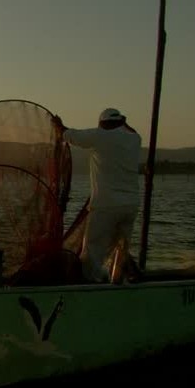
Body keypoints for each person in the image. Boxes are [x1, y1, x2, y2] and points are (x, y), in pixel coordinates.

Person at [53, 108, 141, 284]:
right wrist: (124, 121)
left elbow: (69, 135)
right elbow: (133, 131)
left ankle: (89, 282)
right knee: (121, 247)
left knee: (93, 248)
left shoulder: (99, 136)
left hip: (106, 205)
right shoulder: (134, 139)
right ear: (120, 122)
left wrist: (58, 125)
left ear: (102, 124)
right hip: (130, 205)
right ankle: (116, 281)